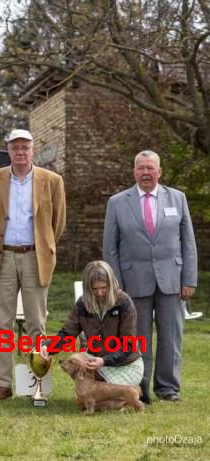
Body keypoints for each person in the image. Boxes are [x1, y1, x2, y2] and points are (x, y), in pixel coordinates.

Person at [103, 150, 197, 402]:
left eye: (150, 168)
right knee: (138, 340)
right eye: (140, 168)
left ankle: (168, 388)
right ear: (134, 172)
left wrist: (189, 279)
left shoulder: (177, 198)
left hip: (172, 281)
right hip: (133, 284)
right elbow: (110, 248)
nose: (145, 173)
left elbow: (188, 242)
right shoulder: (117, 202)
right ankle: (139, 389)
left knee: (171, 339)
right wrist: (116, 286)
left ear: (159, 171)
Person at [0, 129, 66, 401]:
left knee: (36, 323)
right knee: (2, 324)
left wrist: (45, 246)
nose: (20, 152)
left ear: (33, 150)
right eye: (15, 147)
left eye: (25, 147)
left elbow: (58, 222)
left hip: (35, 256)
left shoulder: (52, 180)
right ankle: (3, 383)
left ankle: (36, 383)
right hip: (3, 256)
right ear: (8, 150)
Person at [41, 261, 143, 387]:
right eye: (95, 289)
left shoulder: (124, 302)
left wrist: (105, 360)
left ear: (110, 285)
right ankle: (110, 392)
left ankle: (128, 389)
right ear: (88, 288)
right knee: (76, 361)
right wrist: (48, 348)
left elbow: (129, 344)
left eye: (103, 288)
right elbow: (67, 335)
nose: (99, 293)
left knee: (103, 399)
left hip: (125, 364)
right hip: (95, 360)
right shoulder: (82, 304)